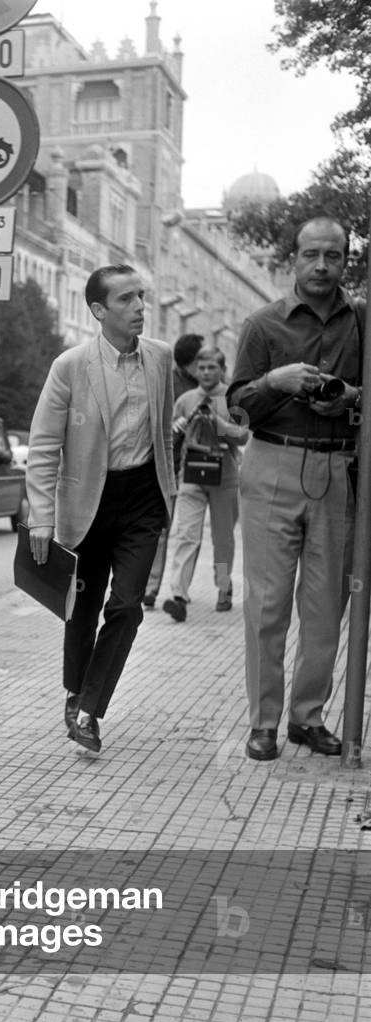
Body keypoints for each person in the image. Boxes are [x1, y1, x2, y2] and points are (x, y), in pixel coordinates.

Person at [227, 215, 364, 762]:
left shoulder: (364, 323)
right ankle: (263, 722)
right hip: (272, 462)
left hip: (338, 469)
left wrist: (351, 396)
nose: (322, 266)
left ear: (345, 260)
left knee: (326, 604)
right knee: (266, 604)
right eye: (312, 255)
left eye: (333, 256)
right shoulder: (263, 325)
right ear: (295, 258)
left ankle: (308, 718)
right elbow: (237, 406)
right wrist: (272, 381)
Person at [26, 264, 176, 753]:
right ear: (98, 310)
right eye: (127, 300)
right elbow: (45, 445)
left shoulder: (161, 359)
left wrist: (168, 496)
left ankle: (89, 707)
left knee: (127, 606)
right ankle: (75, 694)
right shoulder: (70, 366)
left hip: (142, 500)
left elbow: (164, 436)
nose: (139, 308)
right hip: (87, 500)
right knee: (83, 609)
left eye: (141, 298)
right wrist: (42, 517)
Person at [162, 347, 249, 622]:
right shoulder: (186, 399)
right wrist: (177, 426)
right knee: (187, 535)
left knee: (222, 540)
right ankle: (178, 594)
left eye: (212, 367)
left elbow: (244, 436)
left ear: (222, 369)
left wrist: (217, 422)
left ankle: (224, 587)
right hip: (192, 476)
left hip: (225, 478)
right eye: (202, 368)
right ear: (195, 370)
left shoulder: (233, 399)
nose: (206, 372)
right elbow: (168, 434)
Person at [143, 332, 202, 607]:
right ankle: (150, 588)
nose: (206, 366)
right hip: (166, 465)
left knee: (191, 533)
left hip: (201, 472)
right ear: (190, 362)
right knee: (161, 529)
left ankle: (183, 589)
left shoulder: (212, 387)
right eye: (201, 360)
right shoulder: (168, 382)